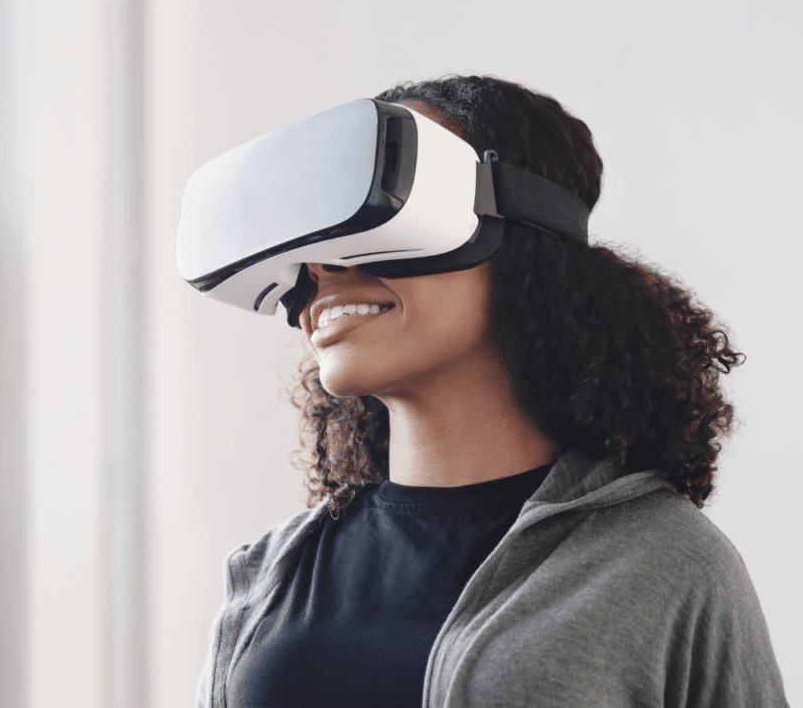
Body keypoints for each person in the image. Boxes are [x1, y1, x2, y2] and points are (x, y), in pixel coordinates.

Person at [193, 76, 788, 707]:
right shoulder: (270, 573)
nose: (322, 269)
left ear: (524, 235)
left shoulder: (666, 563)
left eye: (384, 218)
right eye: (316, 244)